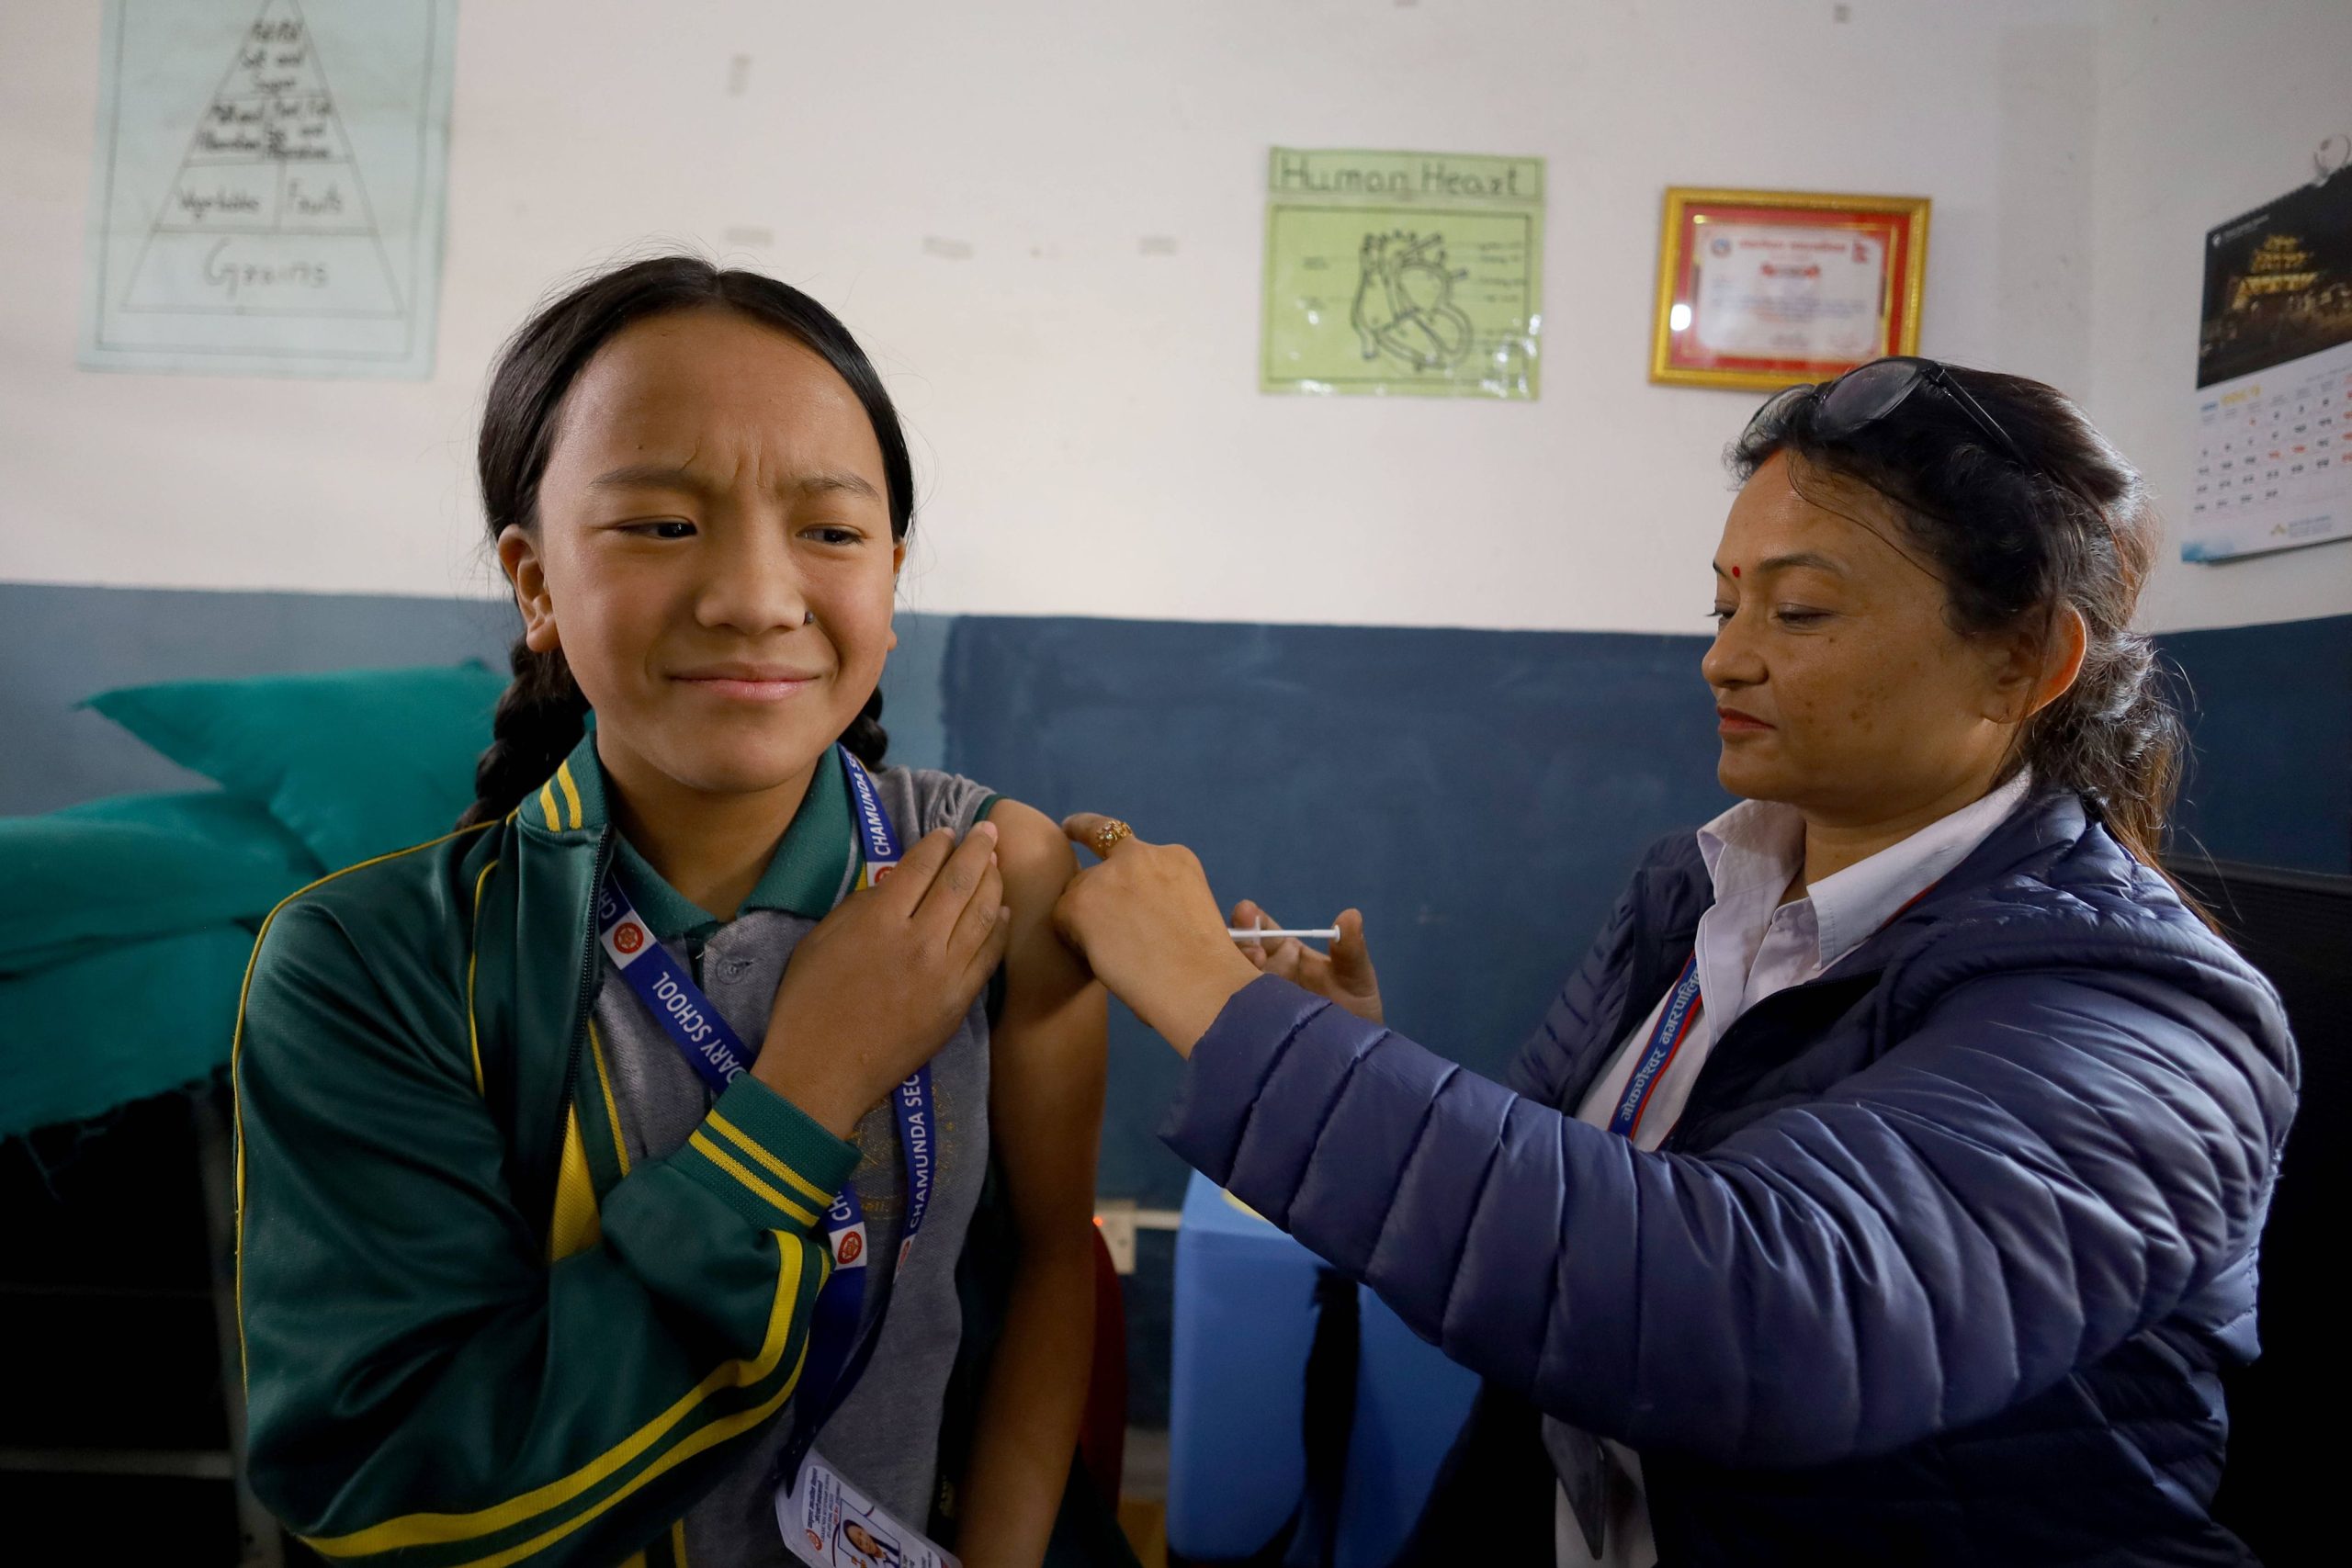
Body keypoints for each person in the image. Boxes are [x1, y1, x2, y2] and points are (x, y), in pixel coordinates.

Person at [1050, 358, 2300, 1565]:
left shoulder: (2145, 1020)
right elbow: (1558, 1258)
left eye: (1798, 611)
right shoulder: (1697, 898)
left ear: (2026, 658)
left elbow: (1755, 1315)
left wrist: (1215, 1006)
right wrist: (1345, 1053)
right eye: (1726, 602)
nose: (1726, 656)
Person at [233, 257, 1114, 1567]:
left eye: (829, 530)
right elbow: (400, 1491)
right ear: (535, 584)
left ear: (892, 572)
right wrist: (804, 1094)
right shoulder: (370, 965)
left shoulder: (992, 873)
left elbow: (1053, 1271)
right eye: (658, 525)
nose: (756, 598)